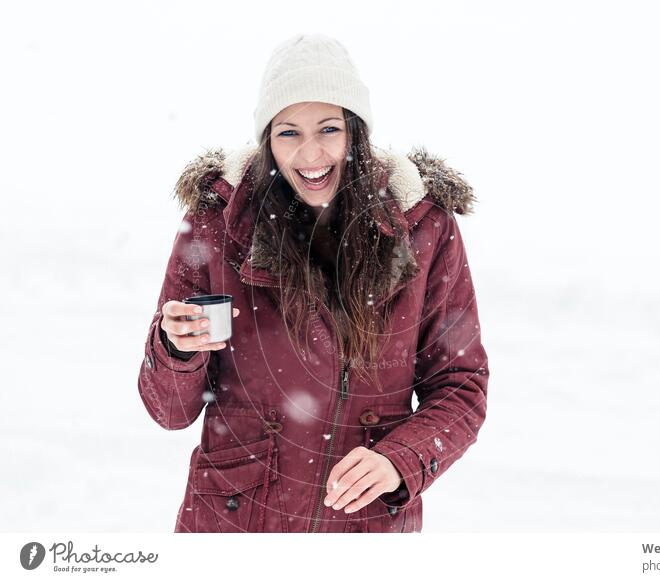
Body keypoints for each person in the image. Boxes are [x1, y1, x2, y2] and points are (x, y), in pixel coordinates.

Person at [137, 33, 489, 533]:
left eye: (328, 128)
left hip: (363, 529)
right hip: (232, 527)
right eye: (288, 133)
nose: (310, 153)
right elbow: (169, 410)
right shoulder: (218, 222)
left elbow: (460, 386)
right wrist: (176, 350)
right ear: (267, 140)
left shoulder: (423, 226)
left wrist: (399, 461)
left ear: (355, 132)